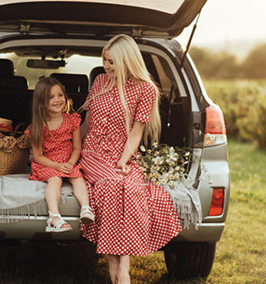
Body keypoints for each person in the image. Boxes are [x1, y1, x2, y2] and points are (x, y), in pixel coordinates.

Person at [78, 34, 182, 284]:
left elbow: (136, 132)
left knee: (130, 187)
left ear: (127, 61)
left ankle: (117, 266)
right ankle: (121, 267)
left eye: (112, 62)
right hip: (92, 152)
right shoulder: (100, 82)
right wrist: (70, 150)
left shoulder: (146, 89)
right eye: (105, 60)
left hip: (123, 153)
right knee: (113, 185)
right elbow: (87, 124)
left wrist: (123, 161)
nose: (106, 66)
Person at [27, 77, 95, 233]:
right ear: (41, 104)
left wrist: (71, 163)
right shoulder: (39, 126)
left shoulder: (72, 120)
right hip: (48, 163)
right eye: (51, 97)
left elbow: (77, 147)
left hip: (67, 161)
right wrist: (57, 166)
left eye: (60, 95)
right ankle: (54, 217)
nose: (57, 100)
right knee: (55, 180)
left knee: (78, 178)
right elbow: (38, 156)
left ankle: (85, 208)